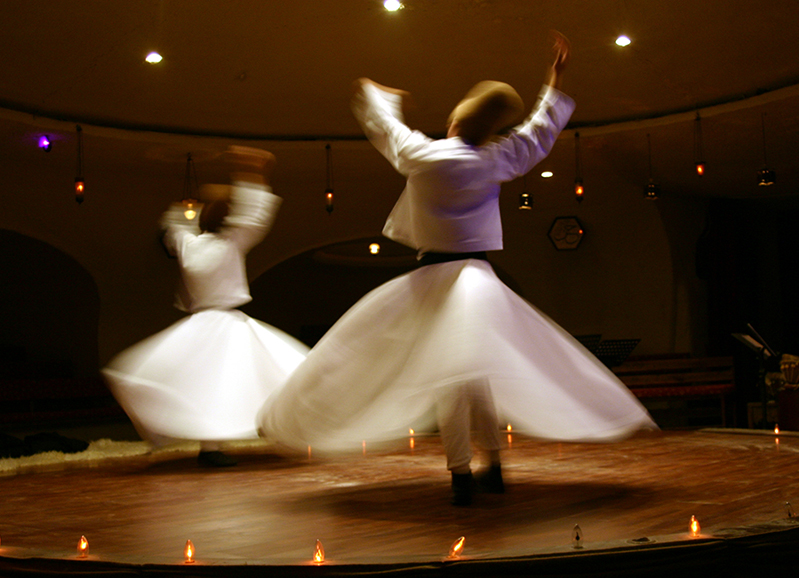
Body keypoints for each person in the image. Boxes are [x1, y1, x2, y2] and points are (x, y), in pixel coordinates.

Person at [258, 33, 655, 503]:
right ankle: (494, 464)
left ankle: (461, 475)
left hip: (435, 282)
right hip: (480, 282)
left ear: (452, 122)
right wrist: (554, 78)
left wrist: (374, 94)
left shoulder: (424, 157)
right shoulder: (495, 159)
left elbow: (386, 129)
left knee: (452, 382)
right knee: (476, 377)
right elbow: (539, 132)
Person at [103, 146, 309, 467]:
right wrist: (251, 175)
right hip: (225, 324)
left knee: (210, 385)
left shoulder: (189, 244)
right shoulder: (230, 243)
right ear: (226, 221)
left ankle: (212, 448)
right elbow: (254, 217)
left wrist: (197, 203)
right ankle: (235, 441)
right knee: (245, 377)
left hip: (200, 325)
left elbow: (171, 226)